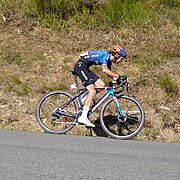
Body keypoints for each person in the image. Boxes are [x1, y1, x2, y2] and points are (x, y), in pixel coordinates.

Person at [73, 45, 127, 128]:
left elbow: (109, 73)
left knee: (102, 85)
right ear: (117, 55)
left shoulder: (109, 61)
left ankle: (82, 100)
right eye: (122, 58)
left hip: (85, 67)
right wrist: (118, 77)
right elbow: (104, 70)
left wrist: (120, 81)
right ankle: (83, 117)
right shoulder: (106, 54)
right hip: (81, 66)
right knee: (92, 91)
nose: (122, 60)